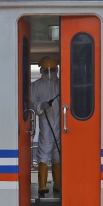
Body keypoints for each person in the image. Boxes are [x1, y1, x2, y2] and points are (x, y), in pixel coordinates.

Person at [31, 57, 61, 196]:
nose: (51, 72)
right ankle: (42, 185)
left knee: (58, 153)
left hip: (61, 123)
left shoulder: (61, 84)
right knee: (44, 151)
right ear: (42, 70)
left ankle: (58, 184)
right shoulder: (36, 85)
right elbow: (32, 104)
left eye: (53, 69)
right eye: (48, 70)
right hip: (46, 123)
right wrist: (41, 106)